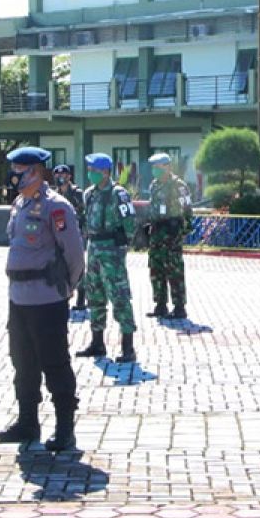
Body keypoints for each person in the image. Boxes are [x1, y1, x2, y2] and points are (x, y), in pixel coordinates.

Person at [0, 147, 86, 450]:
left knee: (55, 363)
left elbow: (74, 255)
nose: (14, 175)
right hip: (18, 298)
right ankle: (27, 423)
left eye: (20, 170)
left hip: (47, 299)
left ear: (35, 171)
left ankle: (64, 429)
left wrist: (66, 288)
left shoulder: (56, 208)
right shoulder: (19, 205)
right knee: (22, 362)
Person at [77, 152, 138, 363]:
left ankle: (128, 348)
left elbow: (130, 224)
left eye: (94, 170)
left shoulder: (118, 194)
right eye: (90, 170)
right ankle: (97, 343)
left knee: (119, 298)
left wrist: (121, 248)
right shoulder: (89, 194)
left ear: (105, 172)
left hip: (112, 252)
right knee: (95, 297)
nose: (90, 174)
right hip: (93, 249)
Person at [144, 152, 194, 319]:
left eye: (159, 167)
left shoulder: (178, 186)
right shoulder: (154, 185)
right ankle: (160, 304)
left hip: (172, 236)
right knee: (156, 270)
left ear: (168, 167)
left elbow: (187, 212)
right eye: (154, 167)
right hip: (156, 234)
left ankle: (179, 307)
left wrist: (180, 232)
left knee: (174, 271)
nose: (155, 170)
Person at [52, 164, 87, 309]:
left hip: (77, 234)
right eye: (58, 176)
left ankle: (81, 299)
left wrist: (85, 231)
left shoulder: (77, 194)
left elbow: (86, 213)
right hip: (59, 235)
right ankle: (63, 297)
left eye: (63, 175)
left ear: (69, 177)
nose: (61, 178)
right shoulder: (54, 195)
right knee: (60, 266)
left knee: (77, 265)